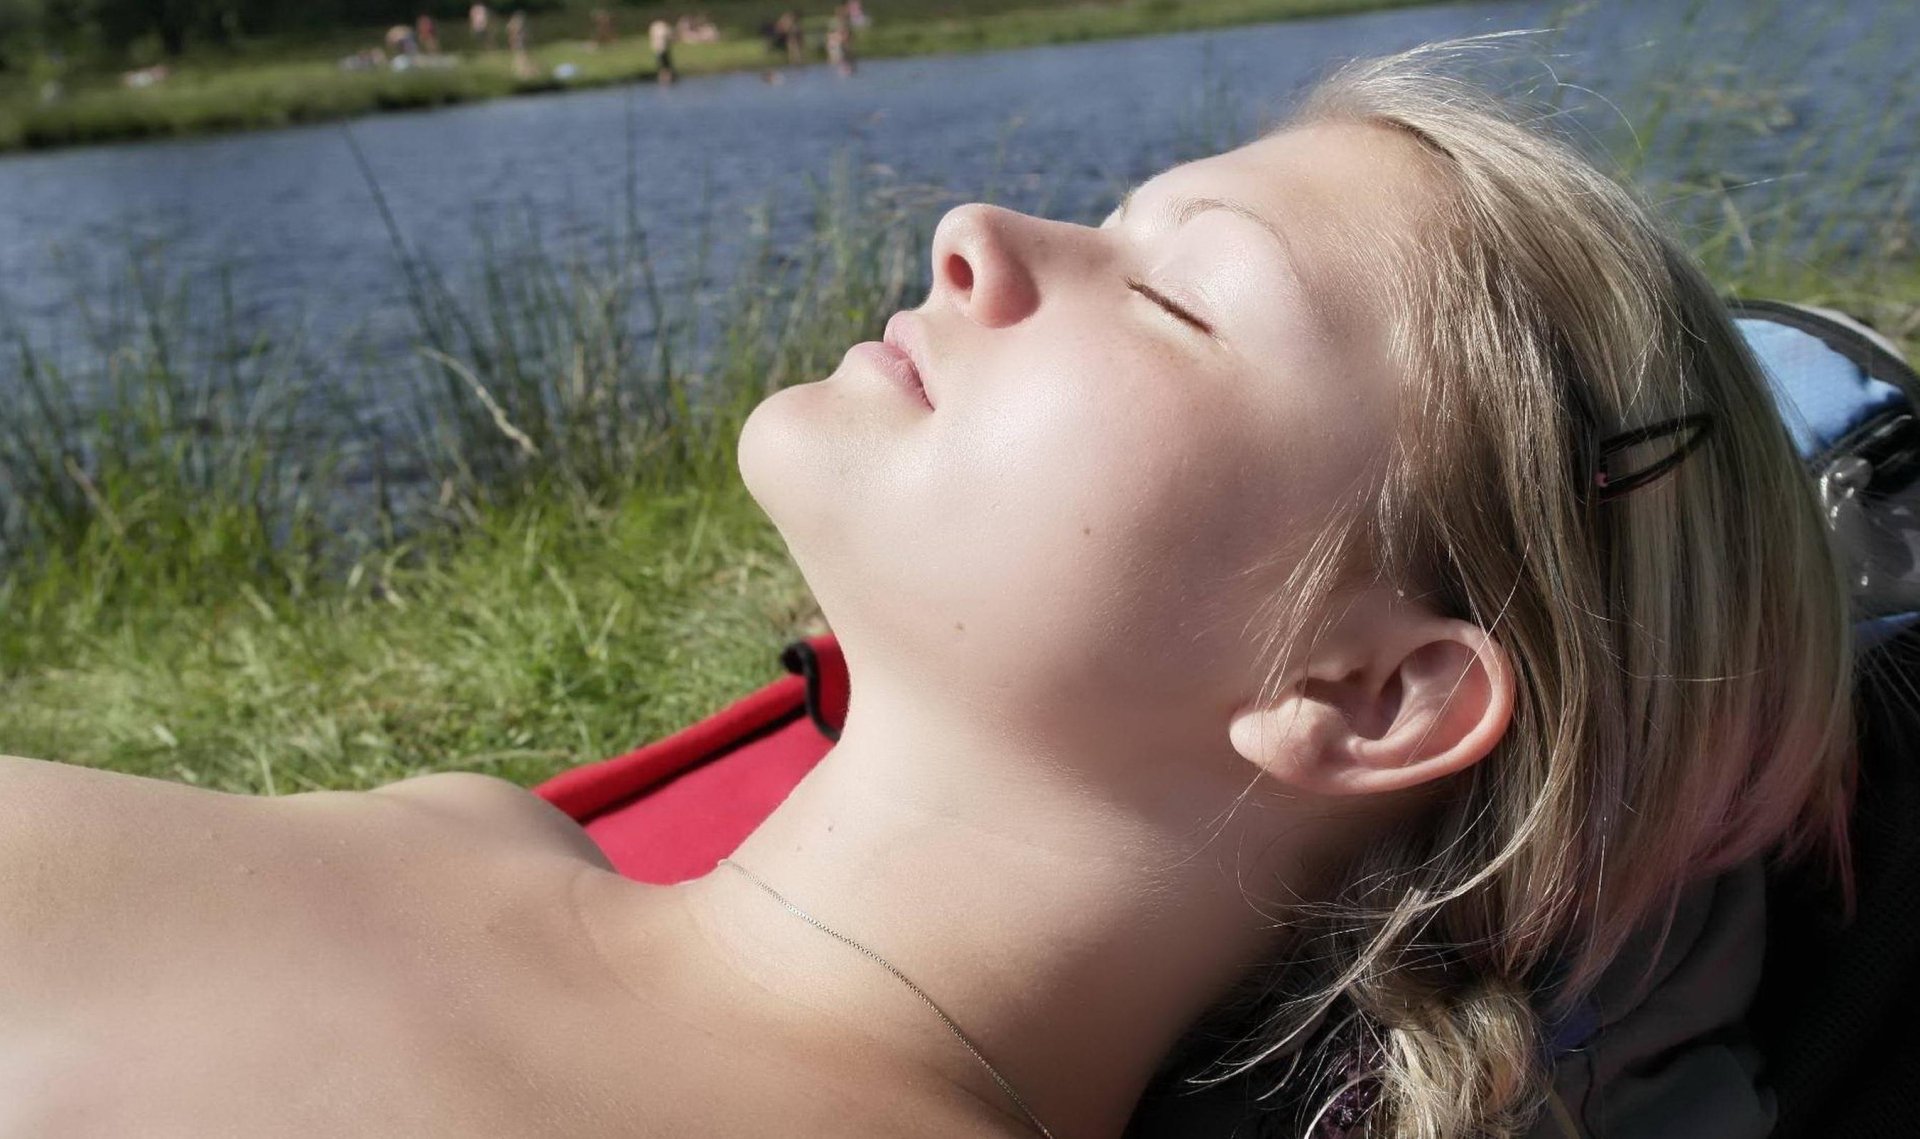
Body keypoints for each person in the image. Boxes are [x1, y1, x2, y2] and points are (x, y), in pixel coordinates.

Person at [0, 43, 1852, 1139]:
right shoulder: (468, 828)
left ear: (1365, 690)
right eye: (1110, 221)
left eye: (1179, 296)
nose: (976, 232)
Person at [649, 16, 675, 85]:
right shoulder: (663, 27)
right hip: (663, 48)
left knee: (661, 64)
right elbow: (669, 36)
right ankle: (666, 78)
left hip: (658, 48)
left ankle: (663, 78)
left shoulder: (654, 26)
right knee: (665, 64)